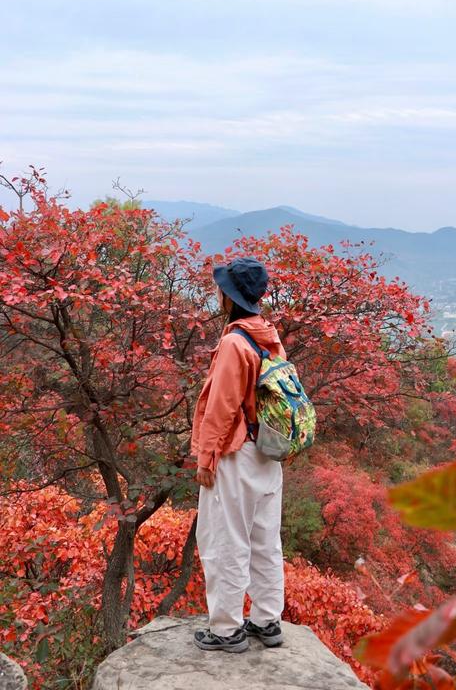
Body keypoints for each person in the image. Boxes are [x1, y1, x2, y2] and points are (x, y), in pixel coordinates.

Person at [191, 256, 286, 653]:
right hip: (267, 452)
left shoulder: (234, 342)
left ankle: (227, 628)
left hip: (236, 454)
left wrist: (205, 458)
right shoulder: (268, 334)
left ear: (230, 297)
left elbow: (221, 406)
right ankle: (267, 620)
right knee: (265, 539)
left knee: (226, 540)